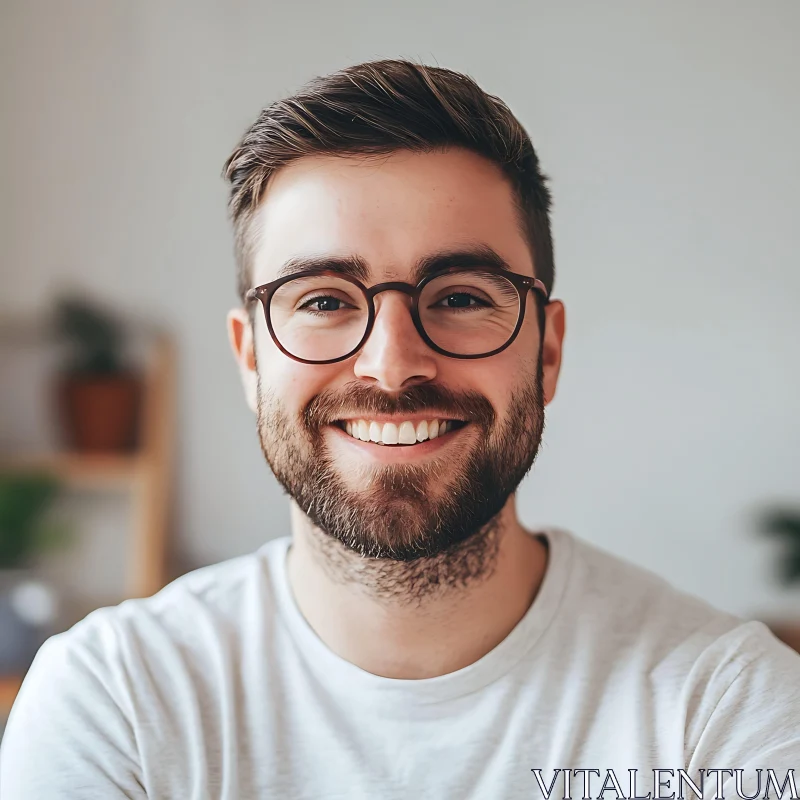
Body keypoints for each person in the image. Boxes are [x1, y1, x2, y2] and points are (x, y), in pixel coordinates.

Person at [2, 59, 799, 800]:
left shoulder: (723, 715)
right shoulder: (117, 704)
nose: (391, 365)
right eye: (322, 299)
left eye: (458, 296)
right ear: (249, 361)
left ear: (547, 351)